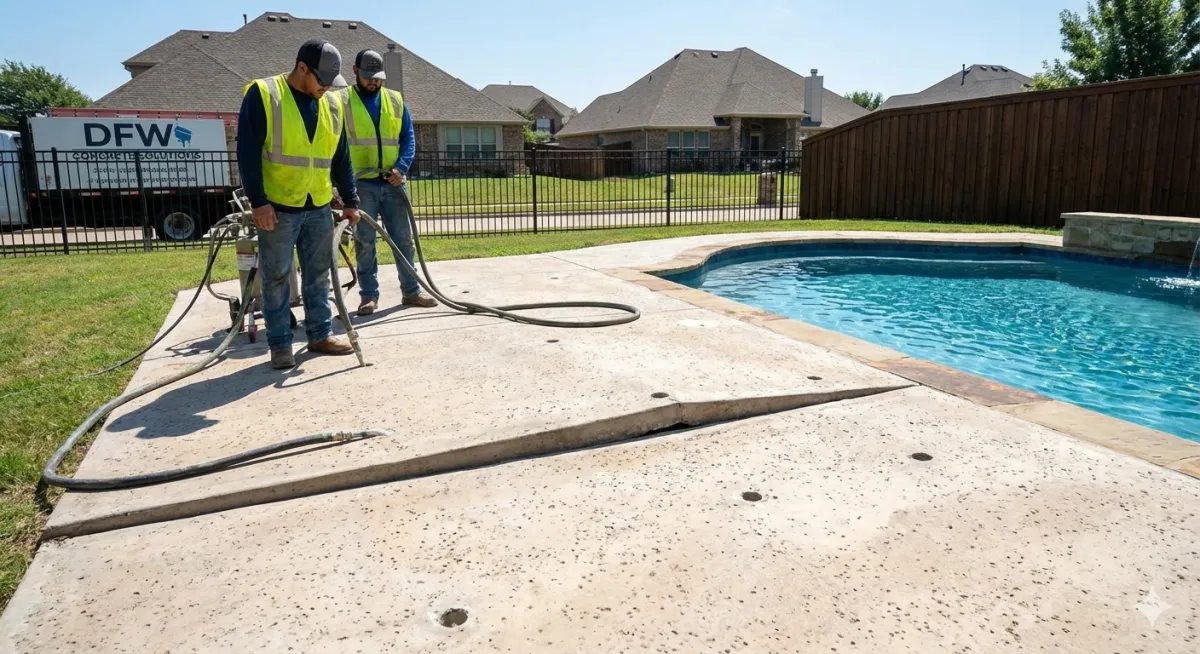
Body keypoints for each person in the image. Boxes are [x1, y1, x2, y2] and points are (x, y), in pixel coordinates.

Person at [236, 39, 362, 369]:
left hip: (318, 205)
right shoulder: (265, 94)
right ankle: (280, 345)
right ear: (302, 68)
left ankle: (319, 334)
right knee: (277, 278)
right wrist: (258, 203)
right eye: (321, 81)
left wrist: (351, 200)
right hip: (277, 208)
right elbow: (247, 153)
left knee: (319, 274)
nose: (325, 88)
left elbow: (341, 157)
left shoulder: (332, 105)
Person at [341, 49, 436, 315]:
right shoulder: (342, 101)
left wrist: (401, 167)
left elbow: (408, 137)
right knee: (365, 242)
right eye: (368, 77)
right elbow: (334, 144)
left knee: (403, 239)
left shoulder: (395, 100)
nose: (374, 82)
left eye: (378, 77)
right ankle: (369, 296)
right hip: (361, 185)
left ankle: (411, 291)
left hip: (393, 182)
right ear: (355, 71)